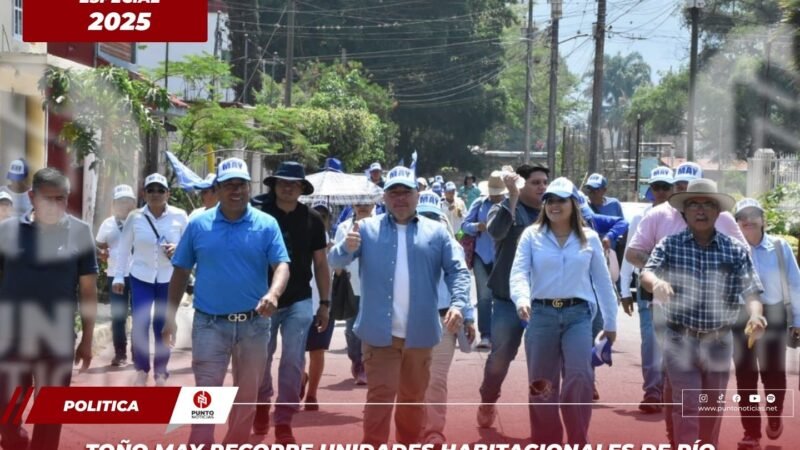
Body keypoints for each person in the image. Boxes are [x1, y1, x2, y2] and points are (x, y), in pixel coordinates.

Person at [329, 166, 470, 445]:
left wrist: (458, 304)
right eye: (394, 192)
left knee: (412, 401)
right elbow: (335, 262)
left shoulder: (438, 232)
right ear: (385, 197)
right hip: (379, 334)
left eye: (406, 192)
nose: (400, 198)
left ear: (417, 195)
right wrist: (346, 247)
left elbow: (458, 271)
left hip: (420, 335)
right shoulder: (366, 229)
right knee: (380, 398)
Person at [163, 157, 290, 446]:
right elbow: (181, 270)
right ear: (217, 189)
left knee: (246, 399)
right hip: (210, 325)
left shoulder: (267, 224)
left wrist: (273, 294)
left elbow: (282, 264)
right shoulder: (198, 225)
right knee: (206, 398)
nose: (236, 190)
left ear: (249, 187)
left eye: (241, 185)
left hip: (254, 326)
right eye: (229, 185)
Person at [625, 167, 746, 446]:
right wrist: (662, 275)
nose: (681, 189)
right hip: (668, 312)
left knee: (695, 389)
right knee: (677, 381)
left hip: (714, 316)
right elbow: (633, 252)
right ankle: (680, 437)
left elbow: (743, 257)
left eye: (687, 186)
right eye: (678, 185)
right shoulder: (657, 215)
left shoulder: (724, 220)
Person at [510, 177, 617, 445]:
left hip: (578, 316)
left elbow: (603, 283)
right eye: (550, 200)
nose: (555, 205)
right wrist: (522, 298)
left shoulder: (589, 238)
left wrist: (611, 322)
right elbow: (519, 273)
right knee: (542, 384)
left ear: (574, 204)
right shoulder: (531, 236)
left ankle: (578, 440)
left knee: (580, 376)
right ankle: (547, 441)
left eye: (561, 200)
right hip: (541, 315)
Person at [0, 167, 98, 450]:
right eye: (48, 199)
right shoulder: (6, 231)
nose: (56, 205)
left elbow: (88, 291)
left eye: (61, 199)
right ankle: (16, 440)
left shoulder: (80, 232)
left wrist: (87, 340)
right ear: (32, 197)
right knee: (7, 412)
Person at [255, 161, 330, 444]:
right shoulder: (259, 214)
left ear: (301, 188)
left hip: (299, 299)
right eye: (282, 182)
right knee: (262, 358)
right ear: (274, 185)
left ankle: (284, 419)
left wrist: (324, 303)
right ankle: (262, 404)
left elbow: (321, 264)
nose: (287, 187)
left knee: (293, 360)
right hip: (263, 300)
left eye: (293, 183)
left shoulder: (312, 219)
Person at [477, 164, 549, 428]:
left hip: (543, 303)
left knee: (544, 363)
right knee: (500, 358)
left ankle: (542, 420)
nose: (542, 187)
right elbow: (495, 232)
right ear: (522, 185)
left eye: (544, 182)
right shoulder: (506, 207)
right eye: (535, 182)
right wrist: (512, 196)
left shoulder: (552, 211)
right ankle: (488, 399)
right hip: (508, 300)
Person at [732, 198, 800, 450]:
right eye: (741, 217)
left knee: (774, 375)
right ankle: (751, 432)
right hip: (741, 317)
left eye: (752, 215)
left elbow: (795, 283)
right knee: (745, 377)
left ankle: (774, 415)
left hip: (774, 315)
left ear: (763, 219)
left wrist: (798, 320)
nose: (747, 220)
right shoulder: (732, 248)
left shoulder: (780, 247)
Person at [113, 173, 188, 386]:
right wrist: (119, 276)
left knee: (162, 324)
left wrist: (178, 249)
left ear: (168, 193)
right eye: (151, 190)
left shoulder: (180, 216)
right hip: (141, 276)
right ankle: (142, 369)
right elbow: (124, 249)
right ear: (144, 194)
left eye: (160, 190)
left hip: (168, 278)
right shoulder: (135, 217)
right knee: (140, 323)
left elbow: (190, 244)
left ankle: (161, 371)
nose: (156, 194)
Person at [415, 191, 476, 446]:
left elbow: (462, 282)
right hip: (409, 321)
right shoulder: (404, 245)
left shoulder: (453, 247)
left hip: (444, 321)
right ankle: (414, 426)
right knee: (412, 379)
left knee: (436, 379)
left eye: (434, 217)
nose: (430, 223)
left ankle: (433, 430)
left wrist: (469, 316)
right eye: (424, 217)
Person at [618, 166, 674, 413]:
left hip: (678, 292)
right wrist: (624, 290)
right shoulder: (641, 218)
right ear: (650, 190)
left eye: (666, 187)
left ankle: (670, 389)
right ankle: (652, 391)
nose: (660, 192)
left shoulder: (683, 217)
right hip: (647, 290)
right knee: (651, 342)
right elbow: (629, 254)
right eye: (656, 187)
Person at [461, 171, 506, 349]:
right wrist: (476, 227)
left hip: (502, 256)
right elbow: (464, 225)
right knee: (484, 297)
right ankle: (486, 335)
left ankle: (500, 335)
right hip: (481, 255)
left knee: (501, 297)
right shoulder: (479, 203)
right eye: (493, 192)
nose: (495, 196)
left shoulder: (510, 205)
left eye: (498, 192)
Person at [333, 201, 376, 386]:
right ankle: (355, 360)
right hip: (351, 286)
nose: (363, 207)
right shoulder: (344, 227)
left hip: (374, 287)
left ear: (373, 204)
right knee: (352, 331)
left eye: (367, 203)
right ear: (353, 206)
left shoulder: (381, 225)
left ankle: (365, 367)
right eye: (359, 204)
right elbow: (336, 256)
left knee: (370, 330)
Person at [96, 184, 138, 367]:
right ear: (114, 204)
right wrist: (101, 253)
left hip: (139, 275)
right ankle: (120, 353)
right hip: (115, 276)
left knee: (140, 315)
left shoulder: (142, 222)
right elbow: (99, 246)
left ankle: (138, 353)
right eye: (121, 202)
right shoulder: (107, 224)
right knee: (118, 316)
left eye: (128, 202)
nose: (125, 205)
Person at [303, 199, 336, 411]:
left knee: (317, 351)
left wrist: (335, 253)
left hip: (323, 305)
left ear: (329, 220)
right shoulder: (298, 238)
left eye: (323, 216)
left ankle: (312, 394)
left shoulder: (336, 246)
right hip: (299, 303)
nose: (319, 219)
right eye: (315, 214)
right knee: (295, 353)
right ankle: (300, 377)